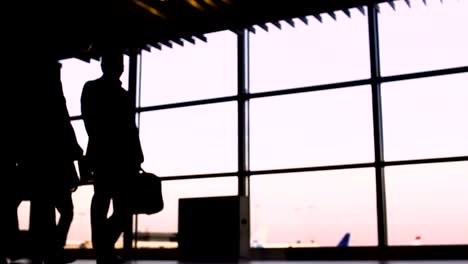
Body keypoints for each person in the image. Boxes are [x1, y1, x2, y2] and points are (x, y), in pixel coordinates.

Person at [81, 48, 143, 264]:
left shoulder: (92, 89)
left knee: (102, 201)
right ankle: (104, 246)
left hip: (103, 155)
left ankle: (102, 246)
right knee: (121, 206)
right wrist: (137, 156)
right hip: (120, 157)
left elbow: (91, 123)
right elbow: (129, 129)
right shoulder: (122, 96)